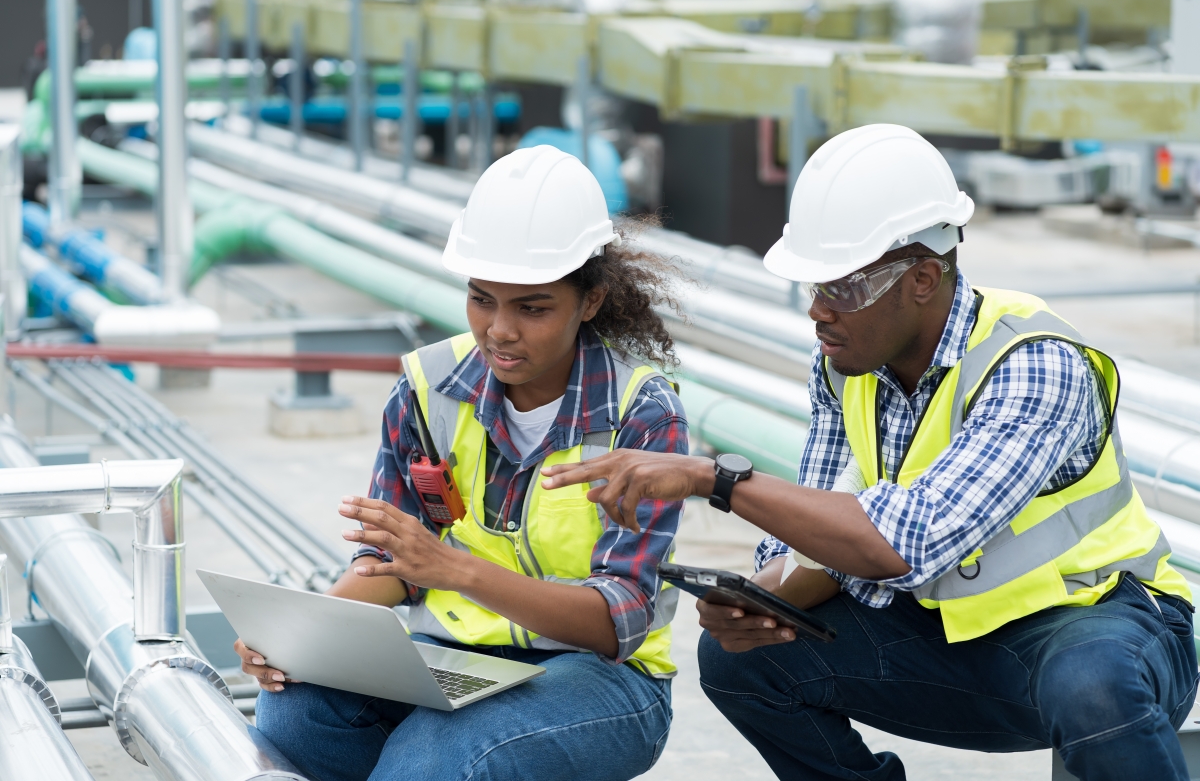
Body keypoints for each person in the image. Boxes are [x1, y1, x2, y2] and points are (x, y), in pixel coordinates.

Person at [542, 124, 1199, 780]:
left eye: (842, 289)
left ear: (921, 278)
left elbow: (908, 543)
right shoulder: (846, 367)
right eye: (815, 288)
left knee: (1091, 687)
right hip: (960, 639)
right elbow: (817, 544)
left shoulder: (1030, 364)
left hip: (1099, 626)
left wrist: (712, 479)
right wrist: (756, 603)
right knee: (741, 659)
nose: (819, 312)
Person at [234, 145, 687, 781]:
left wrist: (457, 569)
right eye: (482, 299)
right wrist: (302, 640)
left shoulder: (641, 415)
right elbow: (398, 564)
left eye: (532, 307)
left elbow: (620, 620)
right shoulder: (427, 388)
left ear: (590, 301)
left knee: (439, 755)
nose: (499, 330)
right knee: (296, 711)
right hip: (454, 657)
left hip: (603, 680)